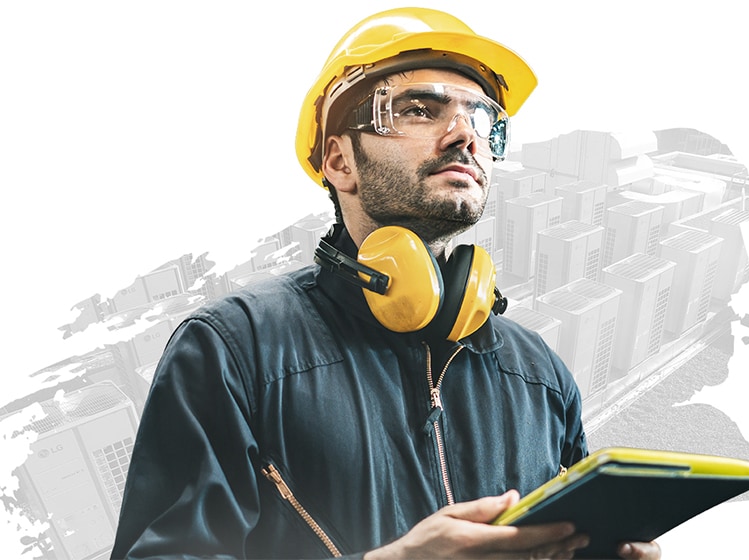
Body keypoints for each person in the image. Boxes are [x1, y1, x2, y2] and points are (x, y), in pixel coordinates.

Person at [112, 8, 660, 559]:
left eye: (482, 119)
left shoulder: (539, 372)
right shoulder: (234, 349)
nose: (465, 135)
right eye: (422, 109)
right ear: (339, 160)